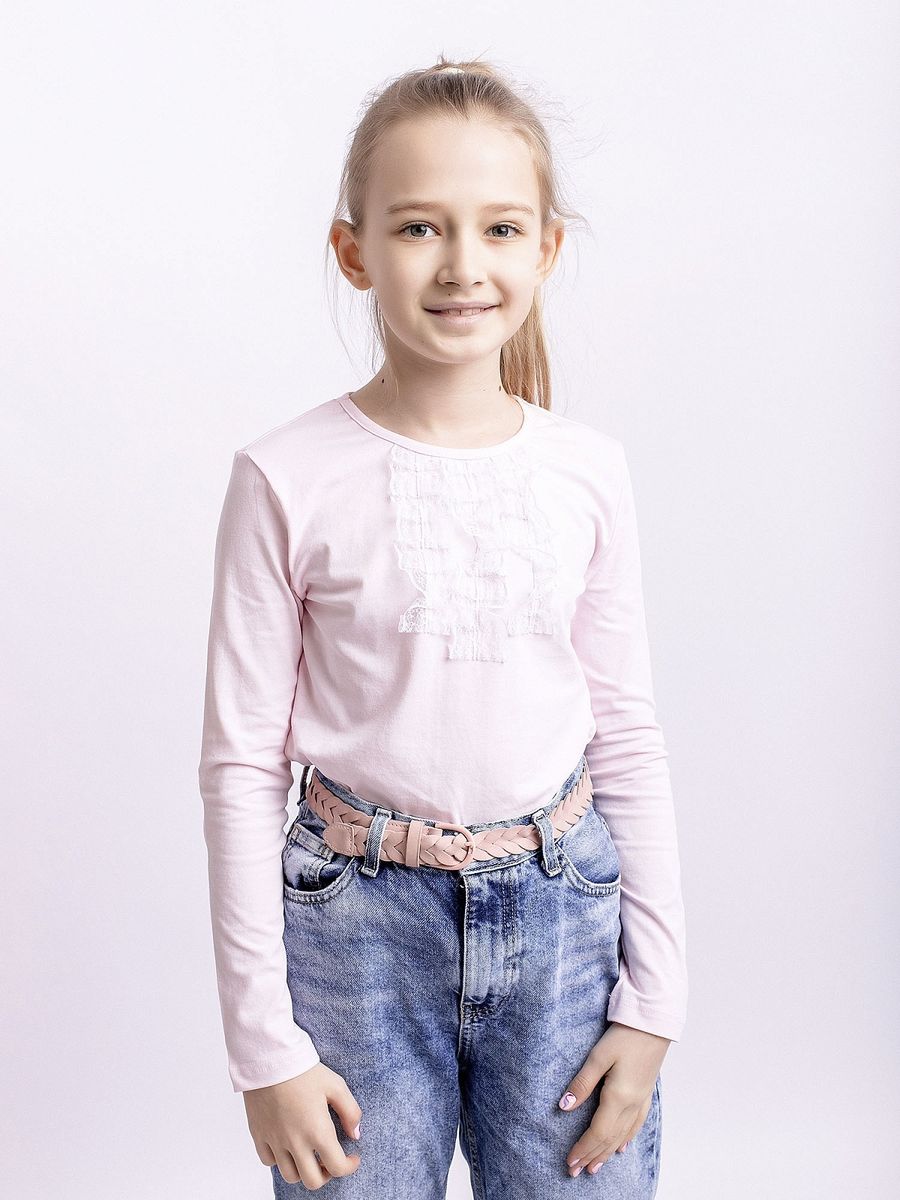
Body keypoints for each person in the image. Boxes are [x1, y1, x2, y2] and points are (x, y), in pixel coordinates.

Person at [198, 55, 688, 1199]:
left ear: (545, 248)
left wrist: (655, 1002)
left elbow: (626, 734)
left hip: (567, 923)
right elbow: (239, 764)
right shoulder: (285, 476)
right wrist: (263, 1047)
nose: (464, 264)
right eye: (419, 227)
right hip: (354, 934)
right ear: (354, 250)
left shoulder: (587, 471)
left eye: (500, 229)